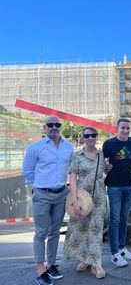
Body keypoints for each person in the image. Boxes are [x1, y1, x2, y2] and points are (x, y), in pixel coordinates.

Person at [23, 116, 73, 285]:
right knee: (41, 232)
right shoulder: (34, 148)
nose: (54, 127)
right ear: (44, 127)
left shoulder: (69, 147)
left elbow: (71, 168)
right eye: (50, 125)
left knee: (55, 232)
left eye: (57, 124)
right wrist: (35, 187)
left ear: (61, 127)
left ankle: (51, 265)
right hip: (42, 194)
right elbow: (28, 171)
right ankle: (41, 270)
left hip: (61, 194)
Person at [63, 127, 107, 278]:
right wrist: (74, 200)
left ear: (96, 137)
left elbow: (103, 172)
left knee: (96, 229)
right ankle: (85, 260)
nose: (90, 138)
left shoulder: (101, 155)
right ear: (83, 137)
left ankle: (96, 263)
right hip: (82, 198)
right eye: (87, 135)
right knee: (81, 229)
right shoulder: (77, 156)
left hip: (99, 198)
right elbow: (73, 180)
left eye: (93, 135)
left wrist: (108, 168)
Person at [103, 118, 131, 267]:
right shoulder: (109, 144)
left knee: (124, 218)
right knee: (114, 219)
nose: (125, 131)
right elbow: (101, 162)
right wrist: (105, 167)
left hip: (129, 185)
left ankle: (122, 248)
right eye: (123, 128)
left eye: (128, 128)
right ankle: (114, 252)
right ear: (116, 129)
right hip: (114, 186)